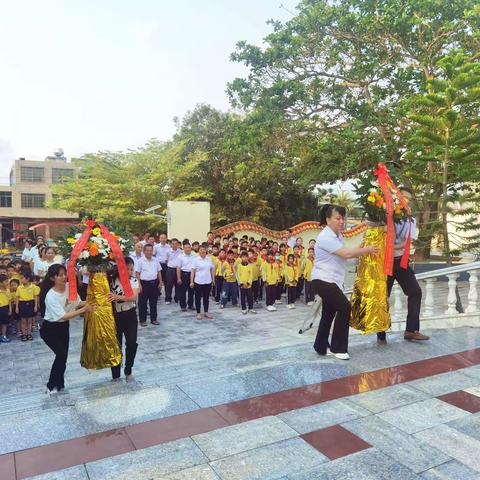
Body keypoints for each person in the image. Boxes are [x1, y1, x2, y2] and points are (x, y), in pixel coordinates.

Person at [312, 204, 378, 360]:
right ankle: (338, 348)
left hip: (331, 280)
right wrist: (366, 250)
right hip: (323, 280)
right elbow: (346, 254)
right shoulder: (326, 236)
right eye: (337, 218)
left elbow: (346, 253)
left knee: (329, 313)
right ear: (328, 220)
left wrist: (361, 246)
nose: (341, 221)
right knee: (344, 307)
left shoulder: (337, 236)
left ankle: (320, 346)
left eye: (342, 218)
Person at [377, 187, 429, 344]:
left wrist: (393, 247)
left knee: (415, 292)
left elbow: (409, 242)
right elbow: (379, 237)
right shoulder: (386, 216)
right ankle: (381, 334)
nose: (405, 201)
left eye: (408, 199)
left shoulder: (410, 219)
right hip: (385, 263)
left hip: (401, 261)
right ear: (396, 197)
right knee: (382, 297)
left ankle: (411, 331)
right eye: (402, 197)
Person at [39, 264, 94, 394]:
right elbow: (63, 316)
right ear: (53, 278)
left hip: (63, 327)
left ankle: (60, 384)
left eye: (65, 274)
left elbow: (78, 302)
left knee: (63, 357)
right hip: (50, 329)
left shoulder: (70, 287)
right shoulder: (51, 295)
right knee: (61, 354)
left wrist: (92, 301)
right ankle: (50, 385)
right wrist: (84, 310)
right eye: (60, 275)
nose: (64, 277)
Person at [108, 257, 139, 381]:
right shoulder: (111, 280)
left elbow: (133, 297)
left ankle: (128, 370)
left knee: (131, 343)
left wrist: (116, 296)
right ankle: (115, 374)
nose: (130, 271)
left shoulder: (133, 280)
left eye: (131, 269)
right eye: (127, 269)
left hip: (130, 315)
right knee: (116, 345)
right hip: (115, 315)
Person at [135, 244, 162, 326]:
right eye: (147, 250)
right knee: (142, 303)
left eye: (151, 250)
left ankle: (154, 319)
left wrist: (160, 282)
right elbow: (137, 273)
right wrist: (139, 284)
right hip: (144, 283)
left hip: (154, 283)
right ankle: (142, 320)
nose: (149, 252)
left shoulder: (155, 260)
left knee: (153, 302)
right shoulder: (140, 261)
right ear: (144, 251)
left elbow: (159, 272)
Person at [190, 244, 215, 320]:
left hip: (208, 281)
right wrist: (191, 281)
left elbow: (212, 269)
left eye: (204, 249)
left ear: (206, 250)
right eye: (201, 249)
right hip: (198, 281)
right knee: (197, 298)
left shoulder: (209, 259)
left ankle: (206, 312)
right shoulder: (195, 260)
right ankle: (198, 313)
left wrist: (213, 279)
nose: (202, 251)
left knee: (206, 298)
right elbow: (193, 271)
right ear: (199, 251)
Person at [15, 270, 40, 341]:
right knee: (23, 320)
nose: (21, 280)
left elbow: (35, 297)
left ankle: (29, 334)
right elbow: (17, 297)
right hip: (22, 304)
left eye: (22, 278)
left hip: (31, 304)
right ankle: (24, 334)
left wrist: (35, 306)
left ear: (28, 279)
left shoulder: (34, 287)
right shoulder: (19, 287)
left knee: (29, 320)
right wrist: (17, 307)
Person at [177, 243, 195, 312]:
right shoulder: (180, 257)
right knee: (182, 292)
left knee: (191, 291)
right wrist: (178, 278)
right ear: (183, 248)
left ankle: (190, 305)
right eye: (186, 248)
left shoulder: (194, 256)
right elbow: (178, 268)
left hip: (192, 275)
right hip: (183, 274)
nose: (188, 249)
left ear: (191, 248)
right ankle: (183, 306)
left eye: (189, 247)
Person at [165, 238, 182, 304]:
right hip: (170, 269)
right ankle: (168, 299)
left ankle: (177, 298)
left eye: (176, 244)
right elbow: (166, 260)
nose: (174, 245)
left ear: (178, 244)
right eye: (173, 244)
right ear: (171, 244)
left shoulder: (181, 252)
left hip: (178, 269)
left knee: (178, 284)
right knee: (169, 285)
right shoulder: (168, 251)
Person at [0, 274, 11, 343]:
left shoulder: (7, 290)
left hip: (5, 308)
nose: (7, 283)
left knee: (4, 323)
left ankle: (3, 335)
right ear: (0, 283)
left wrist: (9, 309)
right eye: (6, 281)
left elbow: (9, 300)